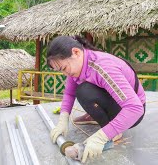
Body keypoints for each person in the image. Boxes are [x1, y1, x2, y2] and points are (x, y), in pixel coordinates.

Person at [47, 35, 146, 163]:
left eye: (64, 68)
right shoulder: (79, 64)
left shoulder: (102, 67)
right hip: (118, 104)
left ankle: (113, 131)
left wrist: (101, 136)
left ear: (76, 52)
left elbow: (135, 108)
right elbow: (69, 94)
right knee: (82, 90)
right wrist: (63, 120)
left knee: (85, 91)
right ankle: (100, 119)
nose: (65, 74)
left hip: (133, 114)